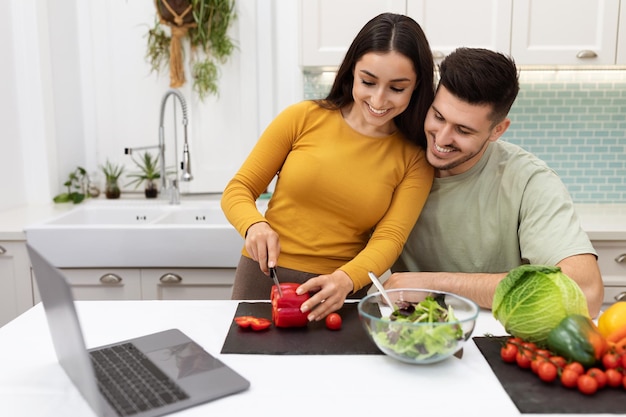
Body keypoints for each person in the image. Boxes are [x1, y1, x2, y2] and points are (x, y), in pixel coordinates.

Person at [221, 13, 435, 321]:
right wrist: (253, 224)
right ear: (351, 73)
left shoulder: (414, 158)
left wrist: (346, 280)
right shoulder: (303, 118)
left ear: (416, 87)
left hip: (341, 291)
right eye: (368, 81)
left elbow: (389, 239)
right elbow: (238, 190)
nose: (379, 99)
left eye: (397, 88)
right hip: (264, 277)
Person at [386, 47, 604, 317]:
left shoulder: (528, 180)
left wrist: (435, 285)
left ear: (498, 130)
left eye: (463, 130)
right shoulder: (392, 161)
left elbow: (587, 292)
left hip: (499, 338)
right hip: (410, 333)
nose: (441, 139)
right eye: (438, 116)